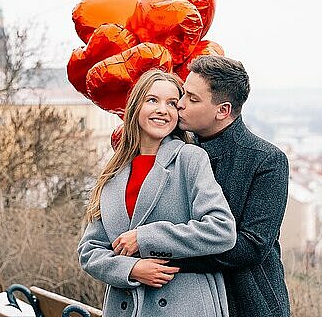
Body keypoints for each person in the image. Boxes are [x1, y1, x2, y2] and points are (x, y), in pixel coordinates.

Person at [77, 69, 237, 317]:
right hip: (125, 307)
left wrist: (146, 239)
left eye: (172, 103)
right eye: (152, 100)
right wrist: (131, 269)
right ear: (135, 107)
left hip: (183, 306)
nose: (163, 109)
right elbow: (89, 250)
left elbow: (222, 230)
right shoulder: (113, 173)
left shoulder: (190, 159)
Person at [170, 55, 291, 317]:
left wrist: (168, 257)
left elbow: (252, 246)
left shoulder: (267, 160)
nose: (180, 105)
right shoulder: (177, 151)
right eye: (183, 94)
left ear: (223, 110)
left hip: (249, 304)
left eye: (192, 99)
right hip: (187, 302)